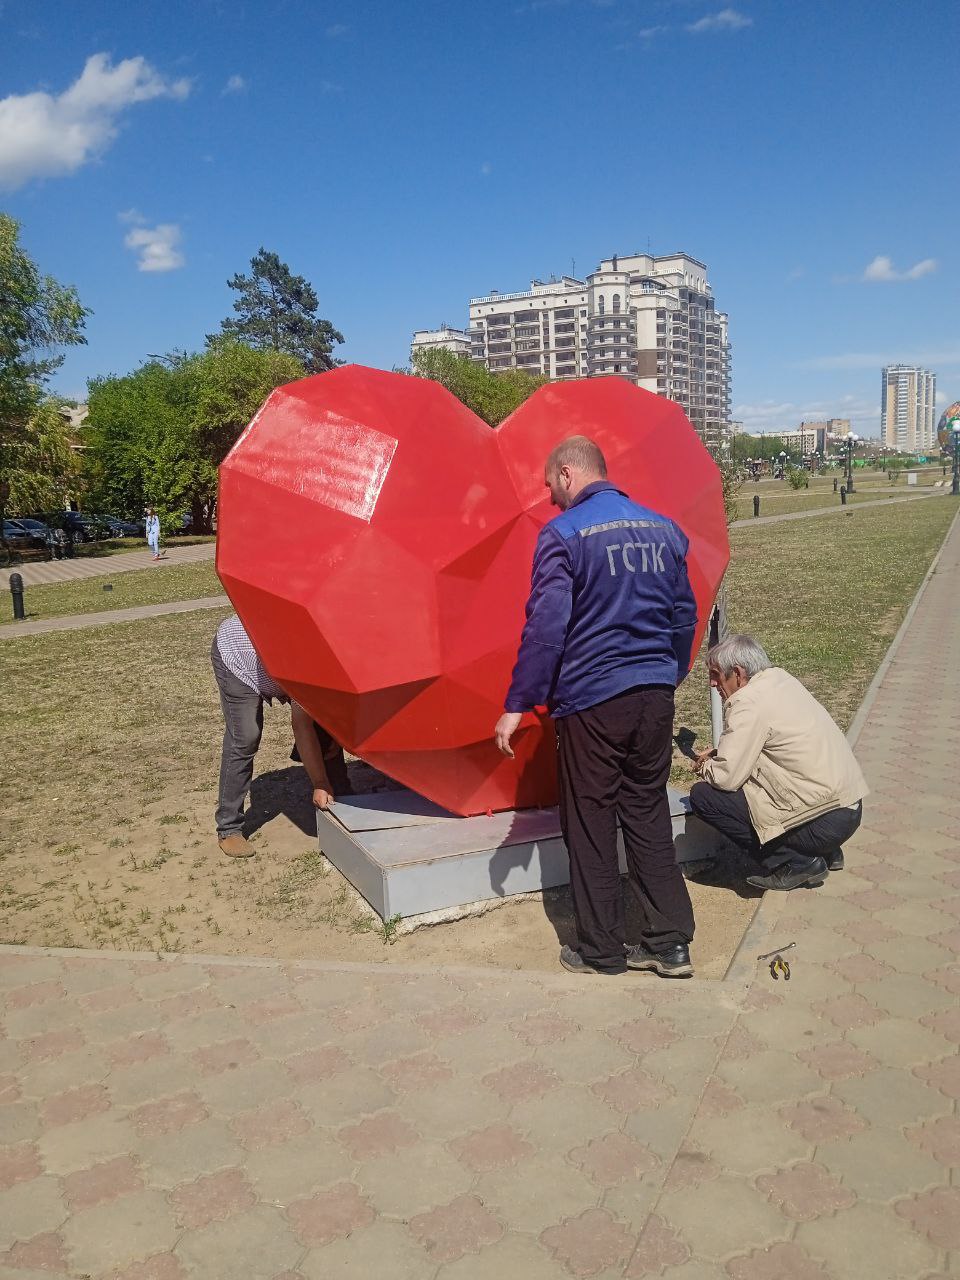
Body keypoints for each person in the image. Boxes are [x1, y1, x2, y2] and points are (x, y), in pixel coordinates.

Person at [494, 436, 698, 978]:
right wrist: (666, 675)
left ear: (566, 473)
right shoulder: (664, 529)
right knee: (648, 812)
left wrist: (518, 702)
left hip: (593, 700)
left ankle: (602, 950)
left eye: (549, 487)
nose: (550, 499)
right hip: (654, 696)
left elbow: (546, 628)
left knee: (590, 822)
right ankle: (671, 942)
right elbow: (685, 618)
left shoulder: (562, 535)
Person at [689, 635, 868, 891]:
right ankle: (826, 852)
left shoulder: (748, 702)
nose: (712, 683)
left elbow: (727, 778)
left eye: (716, 675)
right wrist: (720, 752)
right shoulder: (781, 681)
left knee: (705, 797)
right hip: (848, 809)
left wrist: (705, 765)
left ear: (738, 674)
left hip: (823, 822)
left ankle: (795, 862)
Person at [211, 613, 338, 858]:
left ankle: (339, 794)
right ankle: (229, 827)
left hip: (277, 667)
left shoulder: (327, 655)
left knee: (327, 721)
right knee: (245, 736)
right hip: (237, 657)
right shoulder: (306, 663)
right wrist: (319, 782)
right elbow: (301, 726)